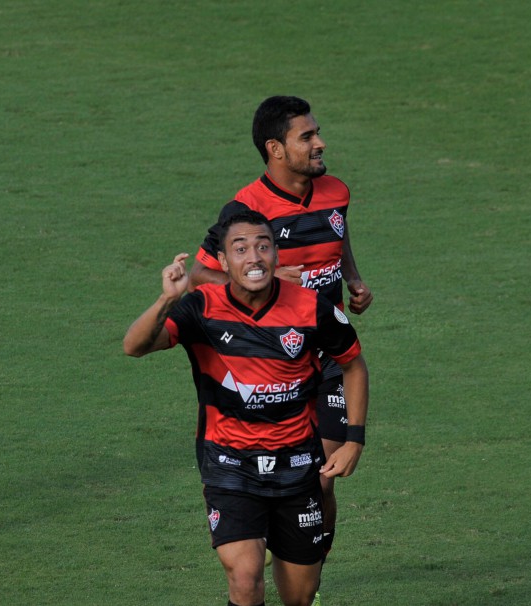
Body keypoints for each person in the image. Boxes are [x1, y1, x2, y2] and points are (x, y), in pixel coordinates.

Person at [124, 211, 369, 606]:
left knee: (300, 597)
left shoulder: (311, 308)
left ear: (275, 255)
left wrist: (354, 439)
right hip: (229, 465)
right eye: (240, 249)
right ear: (222, 262)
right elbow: (134, 346)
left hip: (296, 466)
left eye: (262, 246)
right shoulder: (200, 307)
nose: (253, 257)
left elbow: (353, 363)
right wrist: (167, 299)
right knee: (245, 576)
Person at [188, 96, 373, 573]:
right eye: (307, 137)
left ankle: (310, 560)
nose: (320, 142)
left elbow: (337, 231)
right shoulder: (246, 208)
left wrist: (352, 277)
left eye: (317, 132)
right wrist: (259, 281)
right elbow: (199, 277)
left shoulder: (335, 190)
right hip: (275, 365)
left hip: (329, 358)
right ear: (275, 148)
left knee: (322, 481)